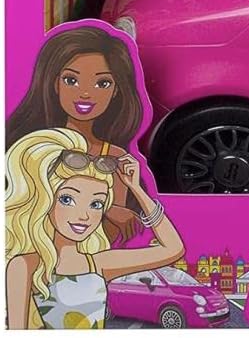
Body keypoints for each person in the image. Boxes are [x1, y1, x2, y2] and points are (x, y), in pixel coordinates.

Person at [5, 129, 184, 329]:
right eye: (67, 199)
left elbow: (173, 249)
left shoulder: (98, 263)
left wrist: (137, 189)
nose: (84, 216)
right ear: (45, 200)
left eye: (96, 204)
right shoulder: (26, 265)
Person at [7, 25, 145, 243]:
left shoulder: (115, 158)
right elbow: (20, 213)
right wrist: (107, 209)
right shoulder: (36, 146)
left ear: (116, 90)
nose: (86, 93)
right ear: (55, 83)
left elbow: (107, 239)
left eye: (102, 83)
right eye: (71, 80)